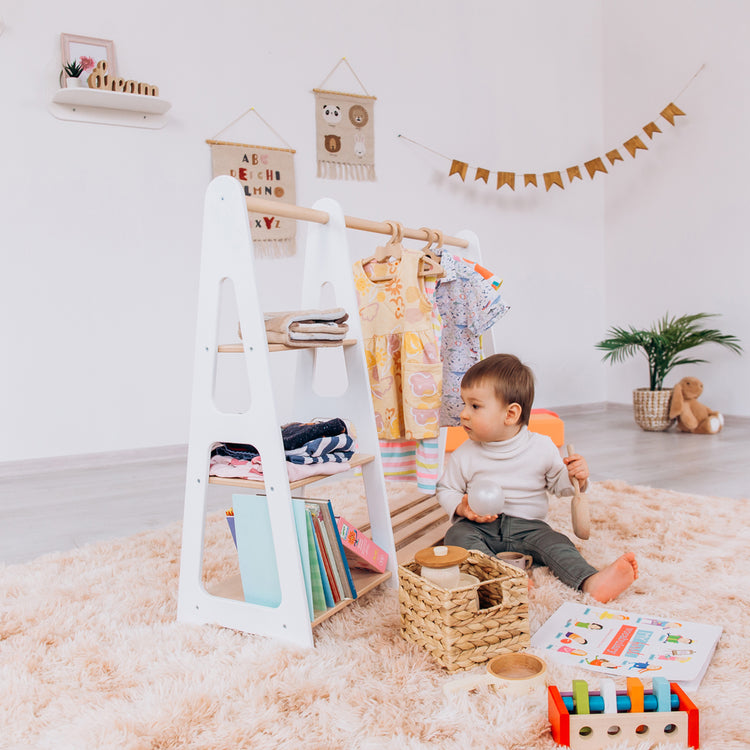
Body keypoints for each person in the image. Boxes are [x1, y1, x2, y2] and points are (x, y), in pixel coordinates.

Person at [436, 353, 638, 603]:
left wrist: (577, 478)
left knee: (558, 544)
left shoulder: (541, 447)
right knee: (456, 537)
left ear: (510, 414)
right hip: (481, 528)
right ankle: (502, 576)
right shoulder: (464, 454)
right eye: (464, 404)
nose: (464, 414)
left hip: (529, 527)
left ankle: (590, 580)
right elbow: (446, 489)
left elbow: (560, 486)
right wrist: (462, 506)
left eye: (474, 406)